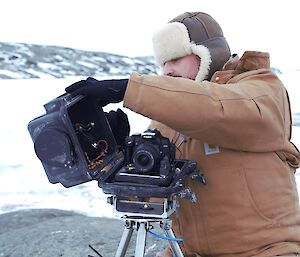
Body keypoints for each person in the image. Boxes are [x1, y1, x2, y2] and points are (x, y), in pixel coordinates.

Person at [66, 12, 300, 257]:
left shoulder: (261, 89)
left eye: (175, 59)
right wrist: (113, 156)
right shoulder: (167, 119)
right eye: (163, 63)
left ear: (209, 55)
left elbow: (217, 109)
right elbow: (146, 198)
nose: (167, 71)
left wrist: (130, 89)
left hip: (267, 251)